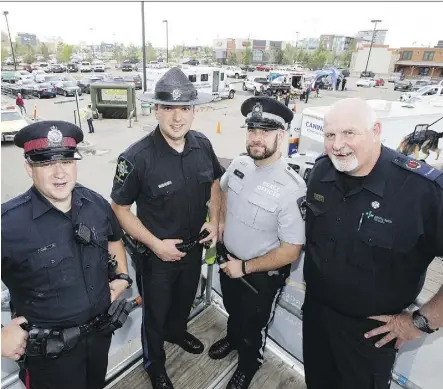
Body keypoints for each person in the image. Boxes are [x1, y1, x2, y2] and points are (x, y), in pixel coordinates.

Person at [302, 98, 443, 389]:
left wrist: (421, 321)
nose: (337, 145)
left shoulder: (422, 192)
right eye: (330, 135)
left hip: (370, 334)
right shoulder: (321, 172)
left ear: (376, 130)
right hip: (316, 315)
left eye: (349, 133)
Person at [110, 67, 224, 389]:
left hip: (193, 249)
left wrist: (214, 220)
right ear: (155, 109)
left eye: (185, 109)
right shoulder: (137, 158)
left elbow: (215, 182)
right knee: (155, 316)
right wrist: (157, 244)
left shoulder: (202, 145)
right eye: (169, 109)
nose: (177, 118)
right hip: (157, 257)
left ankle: (178, 331)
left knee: (184, 299)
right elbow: (119, 209)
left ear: (194, 111)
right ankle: (154, 364)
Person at [1, 121, 133, 389]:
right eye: (47, 163)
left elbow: (114, 239)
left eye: (67, 161)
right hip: (51, 356)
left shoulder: (95, 204)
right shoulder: (8, 225)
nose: (60, 173)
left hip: (100, 335)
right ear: (29, 168)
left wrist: (122, 276)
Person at [208, 97, 306, 389]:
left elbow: (291, 251)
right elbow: (223, 191)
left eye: (266, 131)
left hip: (260, 276)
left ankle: (249, 363)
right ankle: (232, 339)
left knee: (254, 326)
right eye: (252, 130)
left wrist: (246, 267)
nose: (256, 138)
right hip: (229, 262)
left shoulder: (292, 188)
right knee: (232, 309)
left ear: (282, 134)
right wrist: (221, 221)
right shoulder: (239, 163)